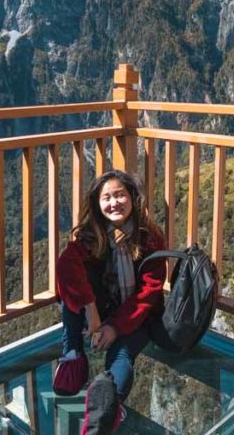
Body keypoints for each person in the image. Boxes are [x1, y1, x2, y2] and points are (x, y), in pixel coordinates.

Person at [54, 169, 167, 433]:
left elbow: (150, 291)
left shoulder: (149, 238)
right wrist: (91, 309)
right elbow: (66, 267)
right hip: (102, 308)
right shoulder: (90, 236)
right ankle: (74, 355)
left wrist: (114, 327)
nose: (114, 203)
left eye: (120, 195)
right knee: (73, 291)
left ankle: (107, 400)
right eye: (107, 197)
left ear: (132, 198)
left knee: (122, 353)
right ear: (97, 204)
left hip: (137, 315)